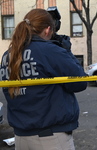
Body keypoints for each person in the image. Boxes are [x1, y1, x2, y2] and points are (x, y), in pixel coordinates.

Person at [0, 9, 87, 150]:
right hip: (50, 137)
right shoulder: (49, 50)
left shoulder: (9, 55)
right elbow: (80, 82)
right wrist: (66, 51)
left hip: (21, 136)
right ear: (47, 30)